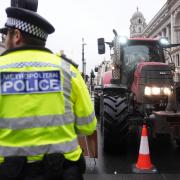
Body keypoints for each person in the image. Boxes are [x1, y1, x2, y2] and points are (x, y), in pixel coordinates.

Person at [0, 2, 97, 180]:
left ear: (16, 36)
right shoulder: (68, 70)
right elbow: (88, 125)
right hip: (62, 172)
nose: (4, 40)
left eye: (6, 35)